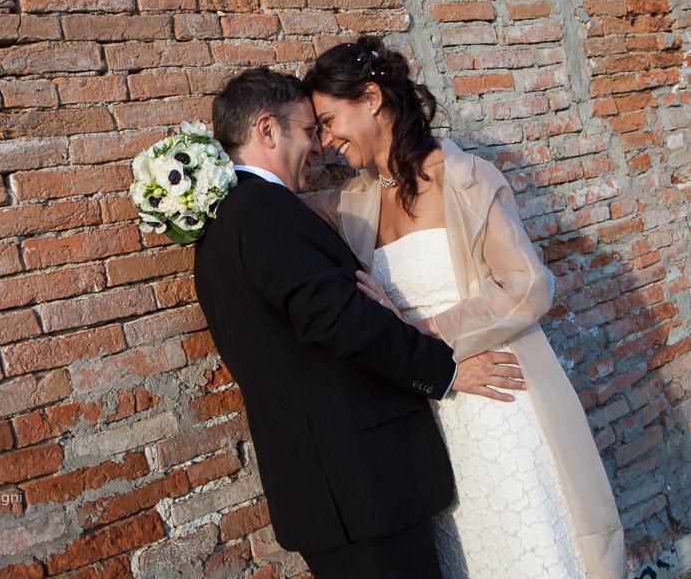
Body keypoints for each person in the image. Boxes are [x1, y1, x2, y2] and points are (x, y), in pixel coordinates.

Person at [302, 36, 627, 579]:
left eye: (330, 120)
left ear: (373, 98)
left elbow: (527, 287)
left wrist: (420, 330)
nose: (327, 140)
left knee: (527, 549)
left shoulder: (466, 178)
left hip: (494, 399)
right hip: (424, 418)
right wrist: (205, 185)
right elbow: (274, 210)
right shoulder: (349, 204)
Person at [193, 67, 528, 579]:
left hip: (331, 488)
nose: (321, 147)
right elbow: (344, 323)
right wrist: (448, 372)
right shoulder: (263, 213)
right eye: (308, 130)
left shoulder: (229, 217)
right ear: (266, 130)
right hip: (360, 488)